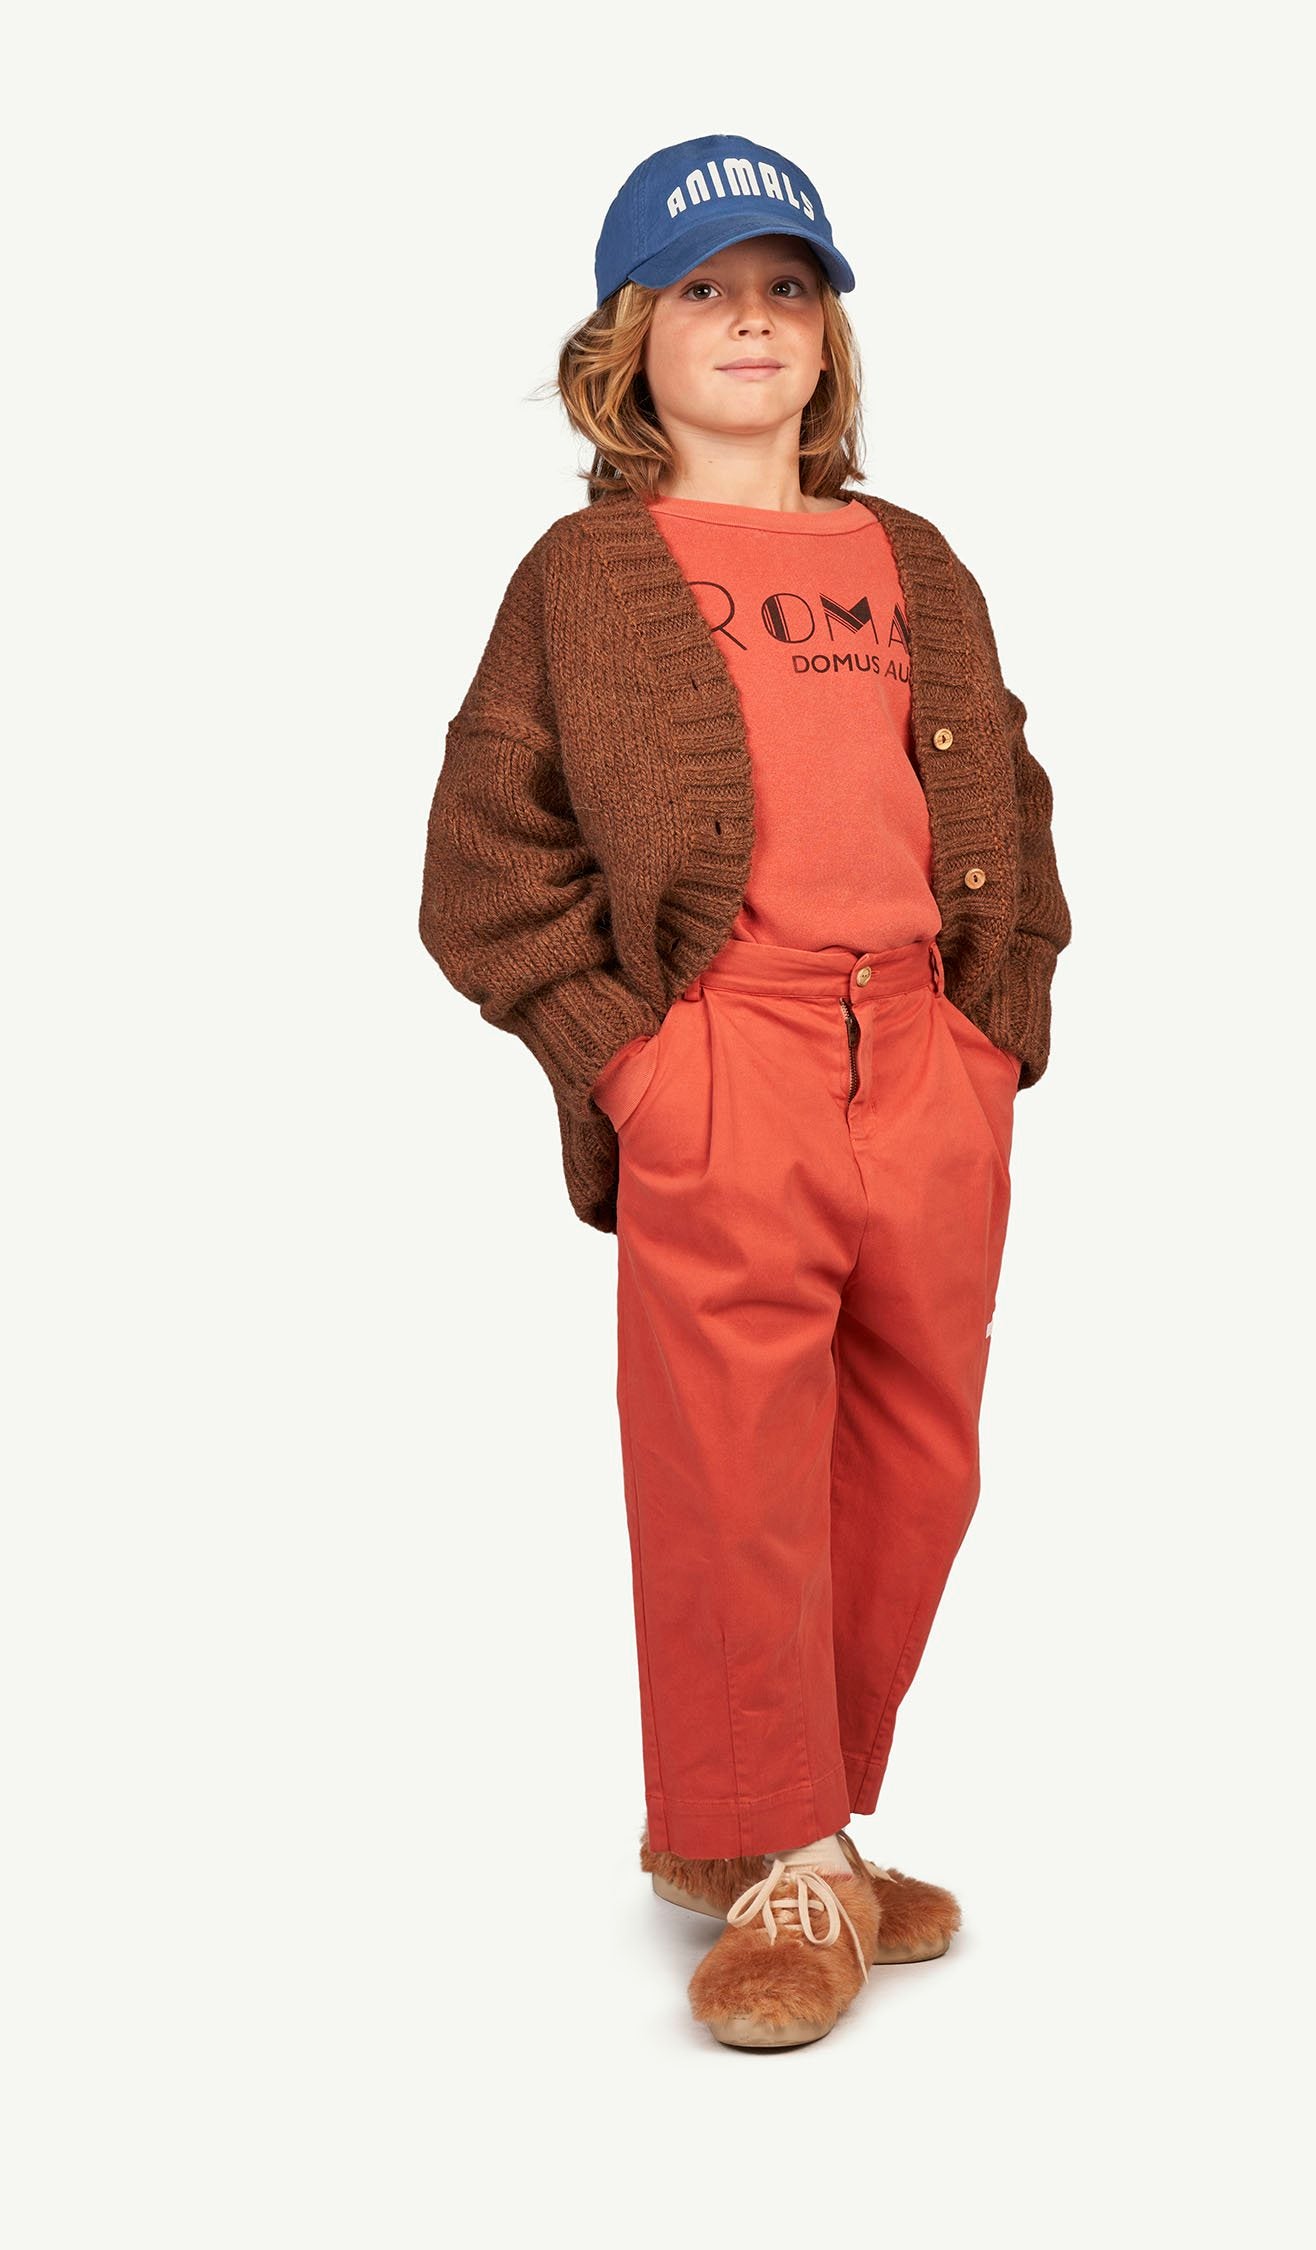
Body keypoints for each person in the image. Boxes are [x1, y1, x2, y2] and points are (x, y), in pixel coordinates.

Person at [418, 132, 1072, 2051]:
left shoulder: (913, 559)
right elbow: (485, 851)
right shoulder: (587, 573)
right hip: (728, 1050)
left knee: (915, 1455)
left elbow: (1010, 794)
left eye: (789, 287)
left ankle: (777, 1818)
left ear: (830, 336)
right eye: (704, 289)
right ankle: (786, 1850)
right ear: (628, 337)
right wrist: (630, 1055)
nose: (752, 320)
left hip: (924, 1053)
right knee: (734, 1469)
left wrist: (993, 1030)